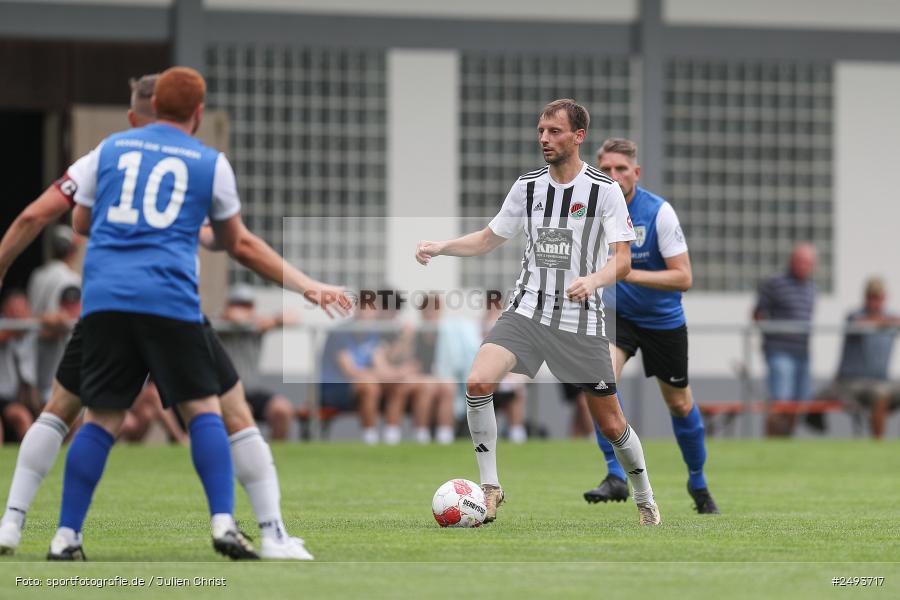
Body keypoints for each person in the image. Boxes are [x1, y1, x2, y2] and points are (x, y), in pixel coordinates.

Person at [0, 70, 349, 560]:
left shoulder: (108, 151)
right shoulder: (209, 163)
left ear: (144, 111)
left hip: (106, 303)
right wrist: (308, 286)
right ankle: (241, 527)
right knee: (212, 410)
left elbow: (56, 217)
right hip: (170, 301)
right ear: (199, 114)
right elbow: (239, 244)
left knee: (90, 414)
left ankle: (48, 531)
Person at [417, 99, 660, 525]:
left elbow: (622, 261)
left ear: (578, 136)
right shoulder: (527, 186)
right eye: (541, 131)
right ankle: (490, 488)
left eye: (554, 131)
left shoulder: (603, 190)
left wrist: (593, 280)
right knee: (477, 382)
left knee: (610, 424)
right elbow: (489, 237)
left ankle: (644, 498)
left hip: (580, 320)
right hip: (527, 310)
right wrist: (442, 247)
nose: (544, 138)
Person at [582, 138, 718, 514]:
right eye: (605, 170)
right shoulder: (590, 214)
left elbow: (683, 277)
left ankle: (697, 481)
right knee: (597, 379)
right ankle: (615, 475)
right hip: (618, 316)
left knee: (679, 403)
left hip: (662, 321)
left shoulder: (659, 213)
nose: (613, 176)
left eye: (621, 169)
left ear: (636, 173)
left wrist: (626, 272)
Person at [818, 278, 900, 437]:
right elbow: (860, 323)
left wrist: (889, 322)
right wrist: (885, 323)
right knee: (880, 394)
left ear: (884, 298)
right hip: (851, 382)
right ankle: (878, 445)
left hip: (881, 381)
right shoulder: (855, 316)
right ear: (866, 297)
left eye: (878, 297)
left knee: (881, 392)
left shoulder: (891, 319)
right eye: (872, 297)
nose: (875, 302)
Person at [217, 285, 296, 440]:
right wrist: (244, 320)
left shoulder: (258, 324)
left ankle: (274, 453)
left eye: (247, 305)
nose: (242, 309)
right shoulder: (218, 324)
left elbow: (292, 317)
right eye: (238, 304)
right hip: (223, 394)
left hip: (251, 391)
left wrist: (273, 320)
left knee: (282, 410)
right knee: (242, 411)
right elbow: (234, 317)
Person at [754, 243, 817, 436]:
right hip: (779, 351)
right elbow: (758, 314)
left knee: (797, 405)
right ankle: (771, 442)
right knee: (780, 402)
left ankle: (785, 443)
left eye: (808, 263)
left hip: (802, 353)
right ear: (792, 261)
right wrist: (770, 338)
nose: (804, 266)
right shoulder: (775, 283)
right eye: (801, 261)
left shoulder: (811, 288)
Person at [27, 225, 82, 404]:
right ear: (72, 250)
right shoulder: (71, 279)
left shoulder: (37, 275)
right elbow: (72, 321)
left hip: (35, 354)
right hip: (60, 357)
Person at [0, 291, 37, 444]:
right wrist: (17, 328)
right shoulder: (6, 328)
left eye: (21, 310)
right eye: (13, 310)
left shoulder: (33, 328)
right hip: (3, 398)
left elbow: (51, 325)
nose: (18, 315)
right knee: (22, 416)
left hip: (25, 396)